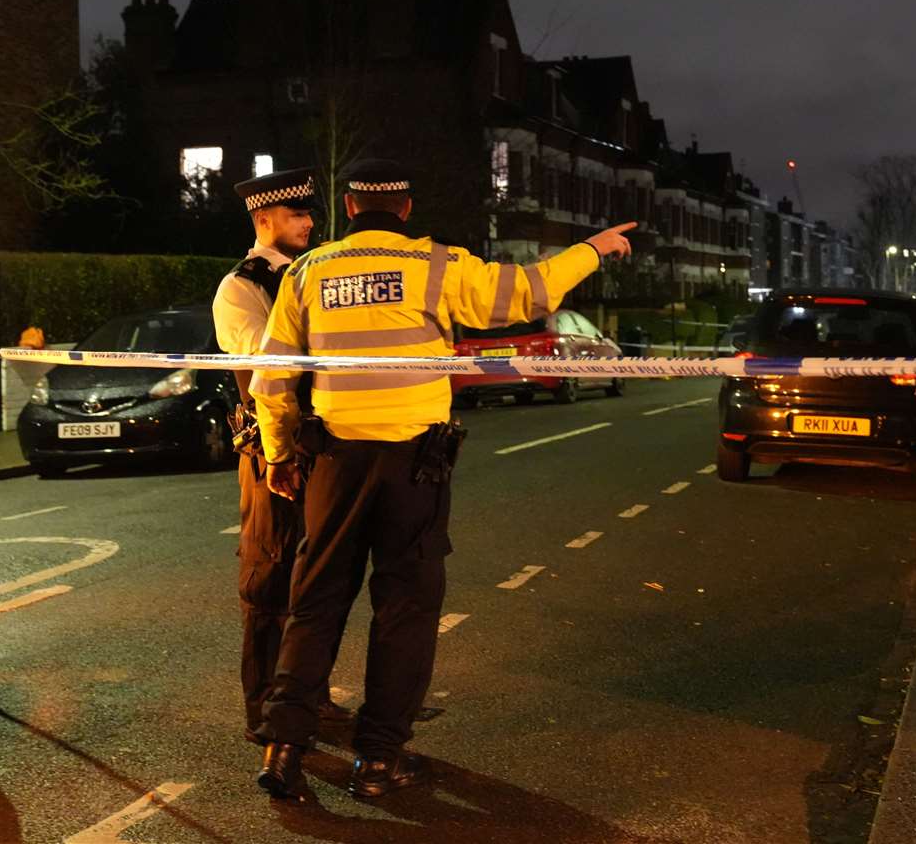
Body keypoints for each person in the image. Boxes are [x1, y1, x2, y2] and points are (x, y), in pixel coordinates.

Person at [249, 157, 636, 801]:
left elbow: (273, 375)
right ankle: (376, 762)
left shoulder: (308, 271)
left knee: (314, 602)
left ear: (348, 210)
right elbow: (531, 291)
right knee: (405, 608)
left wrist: (279, 452)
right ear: (404, 210)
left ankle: (283, 746)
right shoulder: (440, 265)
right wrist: (593, 248)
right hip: (413, 466)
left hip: (333, 461)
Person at [210, 166, 351, 747]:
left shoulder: (312, 275)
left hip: (319, 444)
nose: (310, 224)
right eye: (298, 215)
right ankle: (264, 708)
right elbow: (270, 363)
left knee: (315, 576)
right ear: (264, 219)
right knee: (269, 574)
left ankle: (308, 698)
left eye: (310, 214)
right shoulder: (241, 287)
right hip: (269, 449)